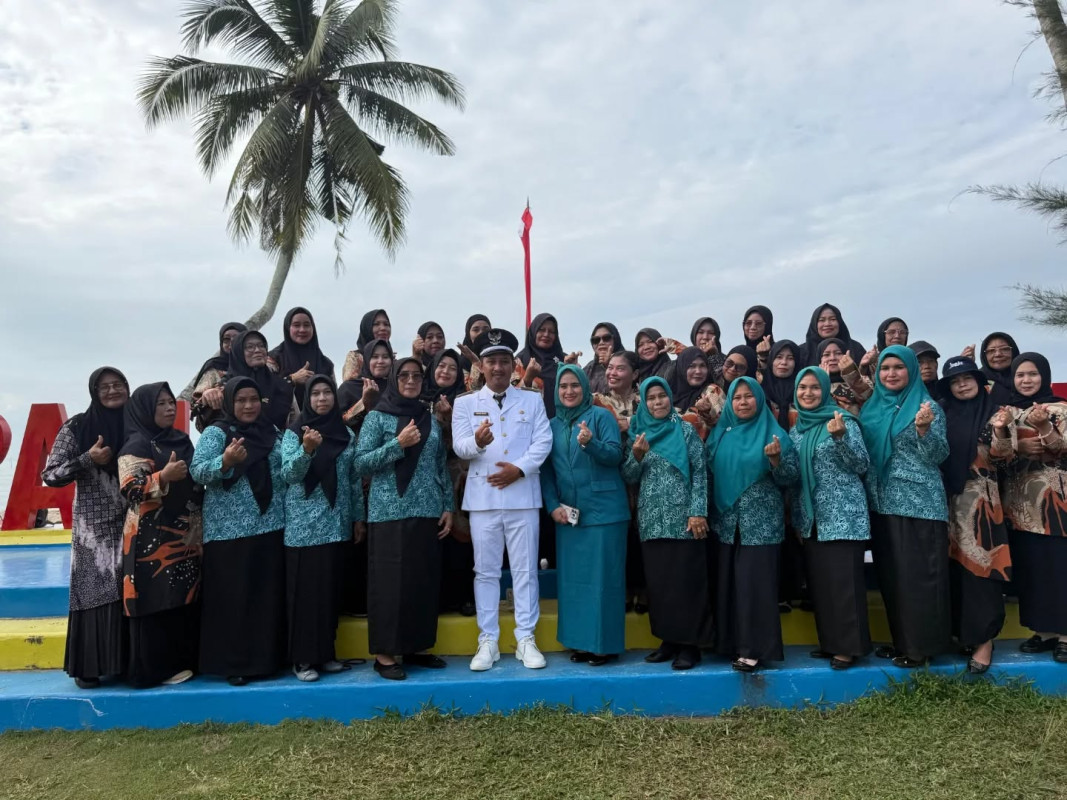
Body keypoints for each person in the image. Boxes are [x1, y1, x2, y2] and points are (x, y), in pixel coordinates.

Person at [452, 328, 553, 671]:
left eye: (504, 361)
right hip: (483, 499)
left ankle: (526, 638)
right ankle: (488, 640)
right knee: (485, 572)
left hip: (522, 496)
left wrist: (519, 470)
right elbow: (460, 446)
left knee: (525, 571)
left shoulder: (531, 400)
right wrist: (477, 443)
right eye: (491, 361)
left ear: (513, 365)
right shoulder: (466, 403)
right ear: (481, 366)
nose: (498, 367)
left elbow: (543, 441)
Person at [356, 357, 454, 681]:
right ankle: (385, 655)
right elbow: (360, 463)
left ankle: (416, 647)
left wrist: (448, 506)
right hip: (389, 512)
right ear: (394, 380)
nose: (411, 381)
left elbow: (440, 465)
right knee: (389, 585)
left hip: (427, 511)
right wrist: (397, 445)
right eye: (404, 376)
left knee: (421, 582)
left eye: (416, 376)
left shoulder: (429, 419)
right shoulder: (377, 417)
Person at [190, 376, 286, 685]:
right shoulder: (216, 432)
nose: (248, 406)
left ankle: (267, 661)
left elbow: (285, 467)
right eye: (241, 400)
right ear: (230, 403)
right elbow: (197, 471)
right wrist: (225, 461)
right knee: (234, 599)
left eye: (253, 399)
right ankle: (235, 664)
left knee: (265, 597)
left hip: (271, 524)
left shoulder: (272, 431)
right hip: (228, 532)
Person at [860, 345, 950, 668]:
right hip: (882, 504)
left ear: (911, 371)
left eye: (899, 367)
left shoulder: (927, 407)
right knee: (893, 578)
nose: (891, 374)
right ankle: (902, 641)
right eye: (885, 368)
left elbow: (939, 454)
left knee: (919, 580)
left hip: (919, 505)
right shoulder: (871, 408)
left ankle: (920, 648)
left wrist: (924, 431)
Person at [43, 367, 130, 689]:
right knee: (95, 593)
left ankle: (127, 663)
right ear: (94, 392)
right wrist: (88, 458)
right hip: (94, 531)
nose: (112, 391)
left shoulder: (136, 423)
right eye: (105, 387)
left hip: (133, 522)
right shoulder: (77, 426)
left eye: (118, 385)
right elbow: (50, 474)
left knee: (129, 591)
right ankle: (90, 666)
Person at [707, 376, 799, 672]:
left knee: (754, 586)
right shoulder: (720, 434)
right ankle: (729, 644)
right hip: (725, 522)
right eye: (737, 397)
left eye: (749, 396)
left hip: (760, 524)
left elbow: (790, 479)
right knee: (729, 585)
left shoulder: (775, 435)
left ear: (759, 400)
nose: (743, 402)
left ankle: (753, 650)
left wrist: (776, 462)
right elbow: (708, 472)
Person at [622, 377, 714, 670]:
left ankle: (690, 646)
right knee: (660, 585)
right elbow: (629, 476)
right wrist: (636, 457)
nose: (657, 402)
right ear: (644, 403)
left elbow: (700, 472)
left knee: (686, 583)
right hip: (652, 521)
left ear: (670, 398)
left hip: (685, 521)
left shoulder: (685, 431)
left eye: (662, 396)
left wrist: (697, 512)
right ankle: (669, 640)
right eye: (651, 398)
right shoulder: (639, 434)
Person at [117, 382, 202, 688]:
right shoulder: (137, 443)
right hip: (149, 537)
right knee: (154, 598)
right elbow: (130, 487)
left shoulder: (181, 439)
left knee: (182, 596)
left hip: (185, 534)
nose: (168, 408)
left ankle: (182, 661)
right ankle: (151, 671)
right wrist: (162, 476)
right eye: (160, 404)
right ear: (144, 409)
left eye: (170, 403)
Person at [542, 365, 629, 666]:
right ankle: (580, 642)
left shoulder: (601, 416)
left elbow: (615, 455)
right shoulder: (550, 425)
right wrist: (552, 505)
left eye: (575, 385)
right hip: (568, 515)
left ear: (585, 387)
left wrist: (590, 443)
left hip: (605, 513)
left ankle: (604, 646)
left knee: (604, 582)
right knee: (574, 582)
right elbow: (546, 471)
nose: (569, 391)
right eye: (563, 386)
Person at [280, 375, 364, 682]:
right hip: (304, 527)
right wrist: (306, 450)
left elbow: (353, 479)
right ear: (307, 399)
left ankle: (326, 653)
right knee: (305, 595)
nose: (322, 398)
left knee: (329, 593)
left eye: (327, 392)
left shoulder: (345, 434)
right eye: (315, 393)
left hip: (336, 522)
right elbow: (288, 474)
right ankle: (303, 659)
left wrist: (358, 518)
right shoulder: (294, 433)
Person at [787, 367, 871, 670]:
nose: (808, 393)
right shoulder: (796, 431)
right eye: (802, 388)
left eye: (814, 387)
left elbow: (861, 464)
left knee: (844, 585)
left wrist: (840, 438)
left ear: (825, 390)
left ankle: (849, 648)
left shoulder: (843, 421)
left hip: (843, 515)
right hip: (813, 519)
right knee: (822, 586)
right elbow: (795, 479)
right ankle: (831, 643)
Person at [937, 357, 1012, 674]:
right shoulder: (941, 414)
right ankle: (961, 635)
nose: (962, 385)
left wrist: (1002, 430)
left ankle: (984, 641)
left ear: (980, 382)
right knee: (952, 571)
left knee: (982, 570)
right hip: (945, 503)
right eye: (955, 381)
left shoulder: (996, 414)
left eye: (967, 378)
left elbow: (1005, 457)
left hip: (982, 502)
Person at [998, 353, 1067, 663]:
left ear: (1044, 376)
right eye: (1020, 375)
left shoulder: (1060, 409)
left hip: (1055, 503)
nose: (1026, 380)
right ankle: (1044, 631)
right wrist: (1014, 443)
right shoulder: (1007, 413)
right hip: (1020, 507)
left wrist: (1044, 428)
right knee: (1033, 570)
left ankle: (1065, 635)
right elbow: (998, 455)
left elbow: (1061, 447)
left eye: (1033, 374)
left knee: (1059, 568)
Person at [594, 350, 647, 614]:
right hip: (611, 476)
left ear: (635, 374)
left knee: (642, 533)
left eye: (620, 368)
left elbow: (663, 422)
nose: (612, 373)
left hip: (645, 473)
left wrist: (631, 423)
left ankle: (644, 589)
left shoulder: (646, 401)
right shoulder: (597, 401)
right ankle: (623, 590)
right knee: (619, 535)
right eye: (610, 368)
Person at [425, 349, 476, 616]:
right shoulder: (419, 399)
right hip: (427, 478)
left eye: (452, 368)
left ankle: (463, 597)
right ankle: (437, 598)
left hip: (459, 477)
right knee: (433, 537)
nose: (445, 371)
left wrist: (449, 416)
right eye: (441, 366)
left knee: (461, 537)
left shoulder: (467, 402)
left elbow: (466, 442)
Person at [227, 330, 297, 430]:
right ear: (238, 352)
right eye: (250, 347)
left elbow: (294, 424)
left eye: (261, 346)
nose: (257, 350)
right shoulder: (226, 387)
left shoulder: (282, 386)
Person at [267, 307, 335, 408]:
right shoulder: (274, 358)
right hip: (283, 416)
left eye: (306, 325)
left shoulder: (325, 363)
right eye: (296, 325)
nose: (302, 330)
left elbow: (334, 397)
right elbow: (265, 391)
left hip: (320, 416)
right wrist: (292, 379)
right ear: (288, 328)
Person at [517, 313, 579, 418]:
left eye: (551, 332)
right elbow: (510, 396)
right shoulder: (520, 361)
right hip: (529, 420)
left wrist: (572, 369)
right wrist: (527, 378)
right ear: (533, 331)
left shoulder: (564, 359)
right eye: (541, 330)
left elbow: (579, 390)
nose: (546, 334)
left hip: (563, 421)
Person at [190, 322, 247, 430]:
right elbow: (196, 401)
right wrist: (209, 394)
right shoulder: (214, 367)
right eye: (226, 340)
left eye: (236, 338)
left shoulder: (256, 366)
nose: (231, 343)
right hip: (221, 427)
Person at [670, 346, 726, 440]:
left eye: (702, 366)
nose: (698, 371)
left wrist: (707, 412)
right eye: (692, 366)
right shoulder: (668, 395)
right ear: (681, 368)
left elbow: (723, 423)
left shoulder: (712, 391)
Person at [338, 338, 394, 431]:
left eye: (385, 357)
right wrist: (364, 402)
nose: (380, 361)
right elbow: (339, 423)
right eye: (375, 357)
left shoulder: (396, 387)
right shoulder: (348, 388)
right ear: (367, 360)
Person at [798, 303, 866, 366]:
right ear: (814, 324)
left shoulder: (855, 348)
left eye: (832, 319)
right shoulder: (802, 352)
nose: (827, 324)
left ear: (839, 322)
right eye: (822, 320)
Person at [961, 332, 1020, 404]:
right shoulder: (978, 379)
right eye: (991, 350)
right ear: (984, 356)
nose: (998, 354)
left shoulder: (1026, 377)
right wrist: (963, 370)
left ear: (1013, 351)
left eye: (1004, 349)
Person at [342, 309, 392, 381]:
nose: (383, 328)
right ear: (366, 328)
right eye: (376, 324)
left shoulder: (392, 360)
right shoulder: (356, 358)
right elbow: (350, 385)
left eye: (386, 324)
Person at [820, 339, 867, 414]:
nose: (832, 358)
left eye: (838, 353)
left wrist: (850, 373)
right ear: (820, 359)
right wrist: (823, 381)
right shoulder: (812, 383)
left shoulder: (862, 380)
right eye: (826, 355)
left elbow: (868, 399)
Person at [761, 340, 801, 429]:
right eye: (779, 357)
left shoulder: (803, 393)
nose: (784, 362)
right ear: (771, 360)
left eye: (790, 358)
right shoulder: (759, 392)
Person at [583, 322, 624, 394]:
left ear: (615, 339)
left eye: (606, 338)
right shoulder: (588, 369)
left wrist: (609, 365)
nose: (601, 342)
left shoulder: (629, 361)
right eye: (596, 340)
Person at [689, 317, 726, 381]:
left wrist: (714, 356)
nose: (705, 337)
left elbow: (724, 383)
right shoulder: (685, 359)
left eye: (711, 333)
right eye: (701, 332)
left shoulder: (727, 361)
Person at [741, 305, 774, 370]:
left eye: (758, 323)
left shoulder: (777, 353)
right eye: (748, 323)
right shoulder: (740, 353)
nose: (753, 327)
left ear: (767, 326)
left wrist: (765, 357)